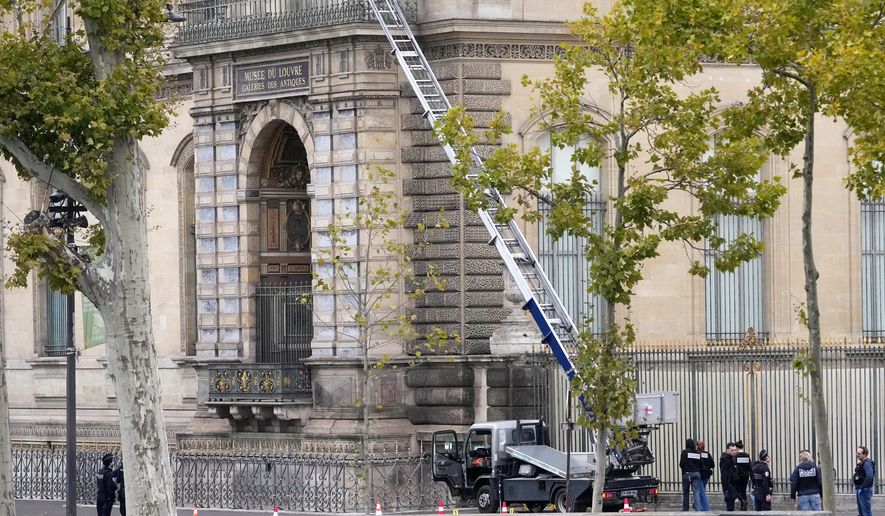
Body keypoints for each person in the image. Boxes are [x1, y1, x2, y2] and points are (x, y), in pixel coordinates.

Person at [679, 438, 710, 511]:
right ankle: (698, 508)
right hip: (697, 474)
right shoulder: (698, 453)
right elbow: (701, 464)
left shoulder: (685, 452)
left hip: (687, 474)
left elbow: (681, 463)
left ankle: (685, 509)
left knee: (686, 492)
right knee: (696, 492)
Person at [854, 446, 876, 516]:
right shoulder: (862, 463)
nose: (857, 455)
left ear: (865, 454)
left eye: (859, 453)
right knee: (861, 512)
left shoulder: (867, 463)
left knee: (865, 511)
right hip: (861, 488)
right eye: (857, 453)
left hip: (864, 490)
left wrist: (863, 487)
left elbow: (869, 476)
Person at [719, 442, 739, 511]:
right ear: (727, 450)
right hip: (728, 485)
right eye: (732, 450)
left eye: (734, 450)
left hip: (733, 484)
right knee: (730, 506)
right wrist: (725, 489)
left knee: (731, 505)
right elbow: (723, 475)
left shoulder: (732, 458)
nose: (734, 452)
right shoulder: (725, 460)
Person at [734, 440, 752, 511]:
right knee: (743, 490)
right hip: (746, 476)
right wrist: (751, 476)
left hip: (738, 476)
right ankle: (744, 508)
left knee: (736, 490)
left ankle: (742, 501)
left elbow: (734, 466)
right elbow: (750, 467)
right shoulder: (747, 455)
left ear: (737, 448)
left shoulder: (736, 456)